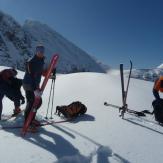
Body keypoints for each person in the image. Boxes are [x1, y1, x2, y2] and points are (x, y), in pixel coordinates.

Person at [22, 45, 47, 132]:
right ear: (36, 51)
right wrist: (34, 89)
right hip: (29, 85)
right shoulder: (32, 61)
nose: (41, 52)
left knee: (38, 102)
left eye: (42, 50)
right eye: (39, 50)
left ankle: (31, 119)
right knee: (32, 102)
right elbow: (31, 76)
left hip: (34, 85)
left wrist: (48, 73)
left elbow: (39, 72)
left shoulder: (40, 60)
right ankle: (27, 123)